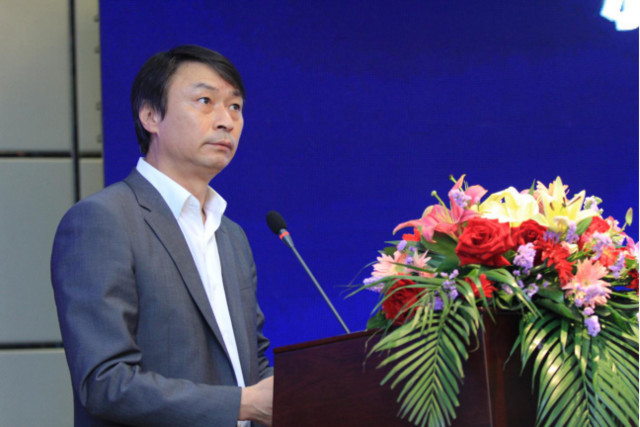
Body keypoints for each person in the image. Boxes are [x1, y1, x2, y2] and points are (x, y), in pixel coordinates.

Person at [51, 45, 273, 426]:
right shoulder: (103, 221)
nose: (226, 121)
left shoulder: (231, 235)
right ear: (151, 116)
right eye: (205, 101)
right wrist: (243, 404)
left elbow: (252, 364)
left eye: (235, 106)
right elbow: (106, 383)